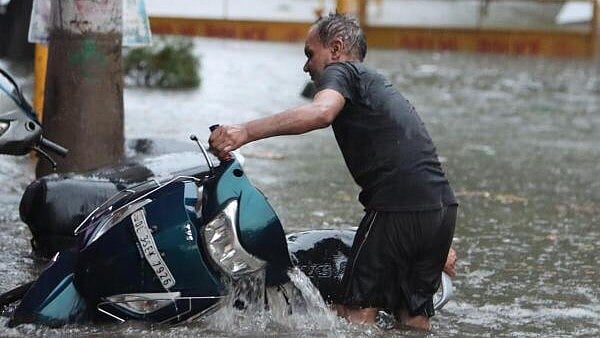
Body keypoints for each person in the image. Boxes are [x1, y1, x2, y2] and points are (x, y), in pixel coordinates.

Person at [208, 13, 458, 331]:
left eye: (310, 54)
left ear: (336, 48)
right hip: (441, 209)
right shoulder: (376, 84)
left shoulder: (343, 71)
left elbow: (321, 112)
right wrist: (428, 232)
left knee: (355, 312)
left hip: (399, 207)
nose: (306, 66)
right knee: (413, 317)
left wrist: (244, 131)